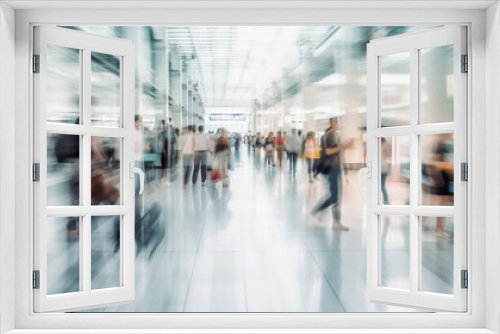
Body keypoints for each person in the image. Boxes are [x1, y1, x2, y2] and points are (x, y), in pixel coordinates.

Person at [311, 117, 353, 231]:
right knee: (335, 197)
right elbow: (329, 151)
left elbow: (337, 150)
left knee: (336, 196)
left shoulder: (335, 135)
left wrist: (345, 146)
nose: (337, 124)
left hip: (336, 168)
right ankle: (324, 213)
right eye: (336, 121)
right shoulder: (329, 135)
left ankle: (332, 219)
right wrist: (344, 146)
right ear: (333, 123)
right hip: (331, 169)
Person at [180, 125, 195, 189]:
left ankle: (185, 182)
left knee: (185, 168)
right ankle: (185, 183)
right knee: (189, 169)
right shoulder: (194, 136)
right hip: (190, 154)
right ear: (192, 129)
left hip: (184, 154)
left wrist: (181, 154)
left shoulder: (183, 136)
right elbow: (194, 145)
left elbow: (181, 146)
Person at [380, 137, 391, 205]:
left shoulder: (384, 144)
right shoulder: (385, 144)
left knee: (381, 185)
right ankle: (385, 201)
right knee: (381, 186)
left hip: (382, 167)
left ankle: (385, 200)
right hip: (381, 167)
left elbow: (388, 154)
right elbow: (388, 154)